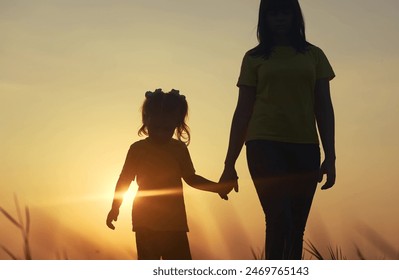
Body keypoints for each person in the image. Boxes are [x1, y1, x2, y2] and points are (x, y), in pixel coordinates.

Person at [219, 0, 336, 260]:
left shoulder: (314, 55)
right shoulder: (254, 58)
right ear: (265, 18)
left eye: (285, 12)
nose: (280, 18)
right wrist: (229, 163)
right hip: (264, 144)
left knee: (296, 227)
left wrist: (331, 157)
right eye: (273, 13)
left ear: (295, 16)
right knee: (279, 217)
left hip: (305, 146)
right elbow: (242, 112)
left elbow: (324, 108)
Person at [106, 89, 228, 260]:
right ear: (146, 121)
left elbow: (191, 178)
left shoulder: (179, 149)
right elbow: (124, 180)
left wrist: (217, 188)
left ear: (176, 124)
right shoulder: (138, 149)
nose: (162, 133)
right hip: (145, 223)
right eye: (156, 127)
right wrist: (115, 207)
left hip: (175, 223)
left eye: (167, 128)